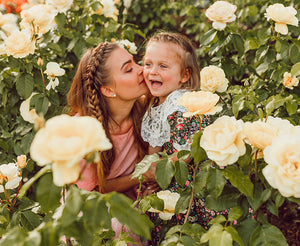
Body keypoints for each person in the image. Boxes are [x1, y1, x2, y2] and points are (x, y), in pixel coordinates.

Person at [141, 32, 228, 245]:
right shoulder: (158, 103)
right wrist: (150, 171)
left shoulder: (181, 105)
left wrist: (154, 174)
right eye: (148, 63)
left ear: (185, 76)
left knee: (189, 229)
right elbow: (155, 147)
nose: (153, 71)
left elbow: (184, 155)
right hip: (169, 176)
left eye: (163, 66)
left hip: (188, 183)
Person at [67, 41, 157, 245]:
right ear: (108, 90)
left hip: (133, 194)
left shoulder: (145, 109)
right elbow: (94, 191)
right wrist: (142, 175)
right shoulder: (84, 131)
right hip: (94, 204)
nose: (142, 70)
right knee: (120, 226)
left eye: (135, 62)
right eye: (129, 69)